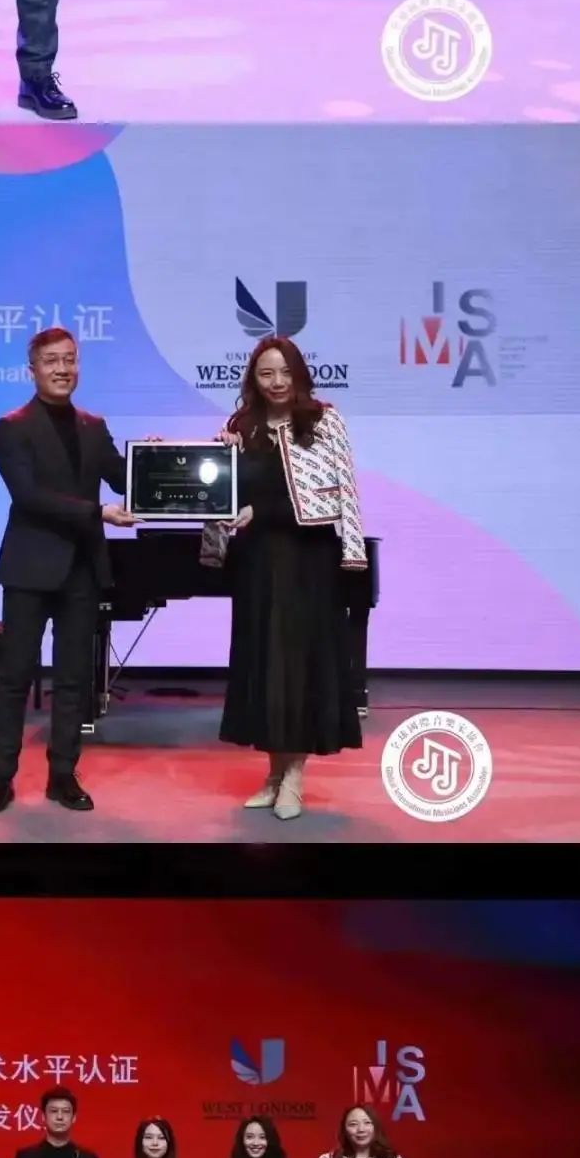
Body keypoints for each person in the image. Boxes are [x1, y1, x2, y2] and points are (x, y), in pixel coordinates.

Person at [206, 334, 367, 821]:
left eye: (284, 372)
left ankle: (294, 776)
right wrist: (220, 457)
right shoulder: (241, 426)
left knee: (299, 669)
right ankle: (274, 773)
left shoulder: (322, 420)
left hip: (307, 560)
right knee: (265, 667)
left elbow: (342, 490)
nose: (276, 382)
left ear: (298, 374)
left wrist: (352, 549)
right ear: (253, 379)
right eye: (266, 373)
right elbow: (221, 491)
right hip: (257, 562)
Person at [0, 326, 135, 816]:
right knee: (16, 677)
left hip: (82, 569)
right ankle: (1, 777)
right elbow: (28, 497)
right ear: (33, 370)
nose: (63, 369)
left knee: (73, 680)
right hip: (29, 567)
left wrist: (152, 460)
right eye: (52, 361)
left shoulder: (94, 425)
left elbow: (124, 478)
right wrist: (98, 513)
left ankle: (63, 775)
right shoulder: (11, 427)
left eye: (70, 359)